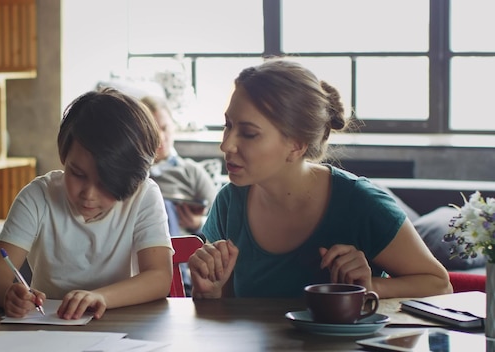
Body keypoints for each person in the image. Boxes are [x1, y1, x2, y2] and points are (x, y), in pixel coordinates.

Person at [188, 59, 452, 299]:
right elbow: (228, 311)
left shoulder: (360, 203)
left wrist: (372, 287)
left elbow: (439, 285)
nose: (226, 145)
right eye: (228, 125)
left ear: (296, 145)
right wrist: (209, 294)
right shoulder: (228, 203)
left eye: (248, 133)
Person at [0, 88, 173, 320]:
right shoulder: (38, 196)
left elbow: (159, 276)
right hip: (47, 328)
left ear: (132, 179)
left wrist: (102, 297)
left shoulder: (144, 196)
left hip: (119, 326)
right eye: (77, 174)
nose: (89, 194)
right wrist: (7, 293)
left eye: (105, 183)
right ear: (64, 156)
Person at [141, 95, 218, 236]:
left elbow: (221, 220)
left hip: (185, 246)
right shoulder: (133, 173)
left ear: (173, 126)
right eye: (152, 131)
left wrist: (198, 223)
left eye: (164, 128)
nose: (160, 138)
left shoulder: (192, 171)